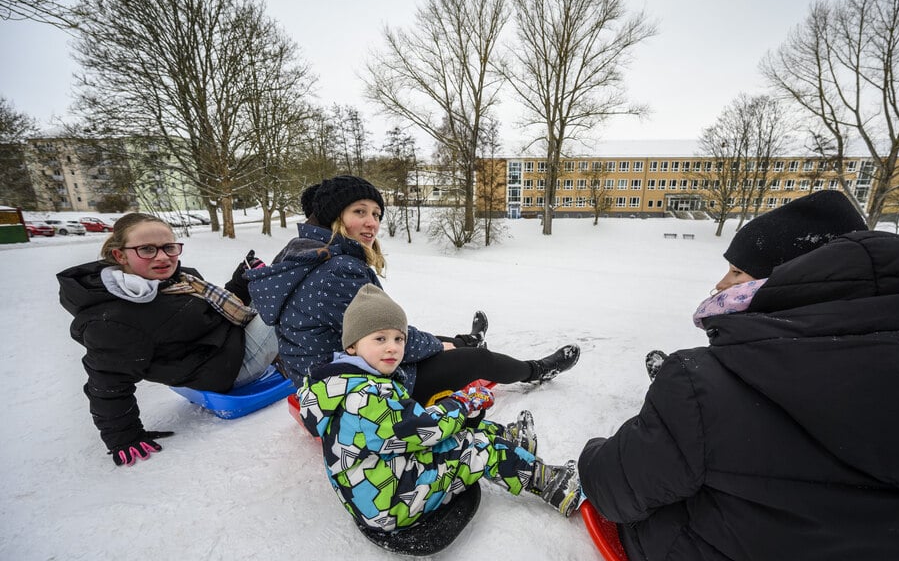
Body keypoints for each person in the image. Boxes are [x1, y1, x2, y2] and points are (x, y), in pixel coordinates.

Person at [578, 190, 899, 561]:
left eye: (737, 273)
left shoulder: (703, 385)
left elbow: (613, 487)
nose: (721, 285)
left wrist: (594, 452)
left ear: (784, 282)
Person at [246, 175, 580, 402]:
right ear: (336, 216)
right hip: (361, 392)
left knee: (407, 336)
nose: (372, 223)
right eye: (359, 212)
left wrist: (440, 344)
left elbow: (379, 330)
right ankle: (536, 369)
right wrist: (444, 348)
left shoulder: (303, 253)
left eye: (376, 214)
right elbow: (395, 337)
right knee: (473, 359)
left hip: (324, 382)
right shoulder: (337, 270)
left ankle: (467, 339)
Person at [300, 283, 583, 532]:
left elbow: (406, 428)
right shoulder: (365, 396)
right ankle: (551, 483)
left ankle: (509, 439)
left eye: (399, 338)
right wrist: (461, 401)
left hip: (380, 481)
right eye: (380, 339)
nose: (392, 348)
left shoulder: (344, 382)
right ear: (351, 346)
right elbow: (425, 428)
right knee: (476, 448)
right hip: (391, 502)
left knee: (460, 428)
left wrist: (458, 411)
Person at [57, 213, 279, 467]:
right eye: (147, 249)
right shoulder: (116, 318)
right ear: (120, 255)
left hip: (224, 347)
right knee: (291, 303)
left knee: (274, 289)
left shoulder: (175, 280)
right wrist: (123, 437)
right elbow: (106, 382)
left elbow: (212, 312)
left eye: (168, 247)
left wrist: (241, 281)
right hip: (231, 368)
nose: (162, 257)